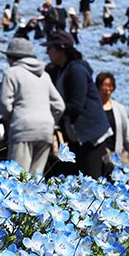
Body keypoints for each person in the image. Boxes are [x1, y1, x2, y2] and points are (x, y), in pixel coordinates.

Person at [44, 31, 111, 179]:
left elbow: (76, 106)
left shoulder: (76, 70)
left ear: (61, 48)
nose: (46, 52)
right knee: (74, 178)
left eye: (49, 48)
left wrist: (50, 109)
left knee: (89, 179)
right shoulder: (61, 69)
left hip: (90, 135)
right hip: (78, 136)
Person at [0, 38, 65, 174]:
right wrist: (50, 120)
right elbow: (59, 105)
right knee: (35, 177)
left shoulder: (11, 73)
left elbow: (5, 104)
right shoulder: (44, 75)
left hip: (23, 128)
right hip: (45, 129)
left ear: (11, 57)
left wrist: (13, 118)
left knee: (17, 176)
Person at [95, 72, 129, 170]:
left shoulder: (119, 108)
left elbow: (127, 134)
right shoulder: (93, 108)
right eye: (105, 85)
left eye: (110, 86)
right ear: (98, 87)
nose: (108, 89)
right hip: (96, 158)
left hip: (116, 156)